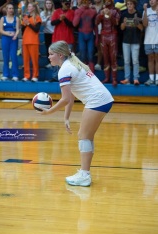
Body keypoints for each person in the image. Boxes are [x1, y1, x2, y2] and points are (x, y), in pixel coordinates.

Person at [37, 40, 114, 187]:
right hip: (103, 99)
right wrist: (66, 118)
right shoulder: (71, 64)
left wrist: (49, 112)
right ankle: (85, 173)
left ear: (60, 55)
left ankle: (84, 175)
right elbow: (70, 98)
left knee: (83, 136)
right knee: (87, 136)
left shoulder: (65, 70)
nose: (49, 57)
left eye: (51, 54)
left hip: (97, 100)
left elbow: (65, 99)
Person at [95, 0, 120, 86]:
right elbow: (96, 22)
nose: (107, 2)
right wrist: (101, 15)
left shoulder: (116, 10)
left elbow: (116, 23)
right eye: (105, 0)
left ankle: (114, 79)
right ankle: (106, 78)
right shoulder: (101, 10)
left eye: (108, 0)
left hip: (112, 35)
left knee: (113, 58)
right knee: (105, 58)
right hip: (104, 36)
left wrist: (109, 15)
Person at [49, 0, 74, 82]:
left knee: (67, 60)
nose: (67, 4)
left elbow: (72, 25)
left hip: (68, 39)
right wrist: (60, 19)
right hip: (57, 38)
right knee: (54, 58)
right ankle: (55, 76)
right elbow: (52, 23)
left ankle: (66, 77)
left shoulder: (72, 12)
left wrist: (65, 19)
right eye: (66, 3)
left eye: (68, 3)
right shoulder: (57, 12)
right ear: (62, 3)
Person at [120, 0, 143, 85]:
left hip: (135, 40)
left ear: (134, 5)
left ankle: (136, 78)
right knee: (126, 61)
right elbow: (121, 28)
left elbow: (141, 28)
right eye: (128, 4)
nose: (129, 5)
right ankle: (127, 78)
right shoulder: (124, 14)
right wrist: (124, 23)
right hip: (126, 40)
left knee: (135, 60)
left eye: (131, 4)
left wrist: (136, 23)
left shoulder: (138, 14)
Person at [73, 0, 97, 73]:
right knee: (83, 55)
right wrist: (79, 13)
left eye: (87, 2)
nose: (85, 3)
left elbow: (95, 25)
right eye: (83, 2)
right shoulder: (77, 11)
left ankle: (91, 75)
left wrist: (97, 38)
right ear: (81, 2)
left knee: (90, 55)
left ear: (89, 2)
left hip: (90, 34)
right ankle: (84, 74)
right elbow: (74, 24)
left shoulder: (93, 11)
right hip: (81, 34)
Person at [21, 2, 42, 82]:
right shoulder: (25, 17)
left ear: (33, 8)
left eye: (30, 6)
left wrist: (28, 23)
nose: (28, 8)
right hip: (25, 40)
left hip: (33, 41)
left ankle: (35, 75)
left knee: (34, 60)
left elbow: (36, 30)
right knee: (25, 60)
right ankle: (26, 76)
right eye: (28, 6)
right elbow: (23, 30)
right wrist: (23, 25)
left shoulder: (37, 17)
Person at [0, 3, 19, 81]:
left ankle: (15, 75)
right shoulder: (2, 19)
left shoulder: (16, 18)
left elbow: (17, 29)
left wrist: (15, 35)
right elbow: (0, 30)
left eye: (12, 8)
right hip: (5, 38)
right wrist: (8, 33)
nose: (11, 10)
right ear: (6, 9)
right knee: (6, 57)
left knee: (14, 56)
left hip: (13, 39)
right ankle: (5, 74)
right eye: (9, 8)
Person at [142, 0, 158, 86]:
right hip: (148, 39)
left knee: (157, 59)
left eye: (153, 0)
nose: (151, 1)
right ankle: (151, 79)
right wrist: (144, 11)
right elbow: (144, 24)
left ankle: (157, 79)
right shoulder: (147, 10)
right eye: (150, 0)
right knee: (150, 59)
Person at [40, 0, 55, 68]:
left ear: (52, 4)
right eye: (47, 3)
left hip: (55, 33)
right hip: (47, 33)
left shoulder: (55, 12)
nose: (48, 5)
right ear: (45, 5)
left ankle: (55, 63)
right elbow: (42, 24)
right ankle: (50, 62)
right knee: (48, 48)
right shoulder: (42, 13)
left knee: (55, 49)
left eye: (50, 3)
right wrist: (47, 18)